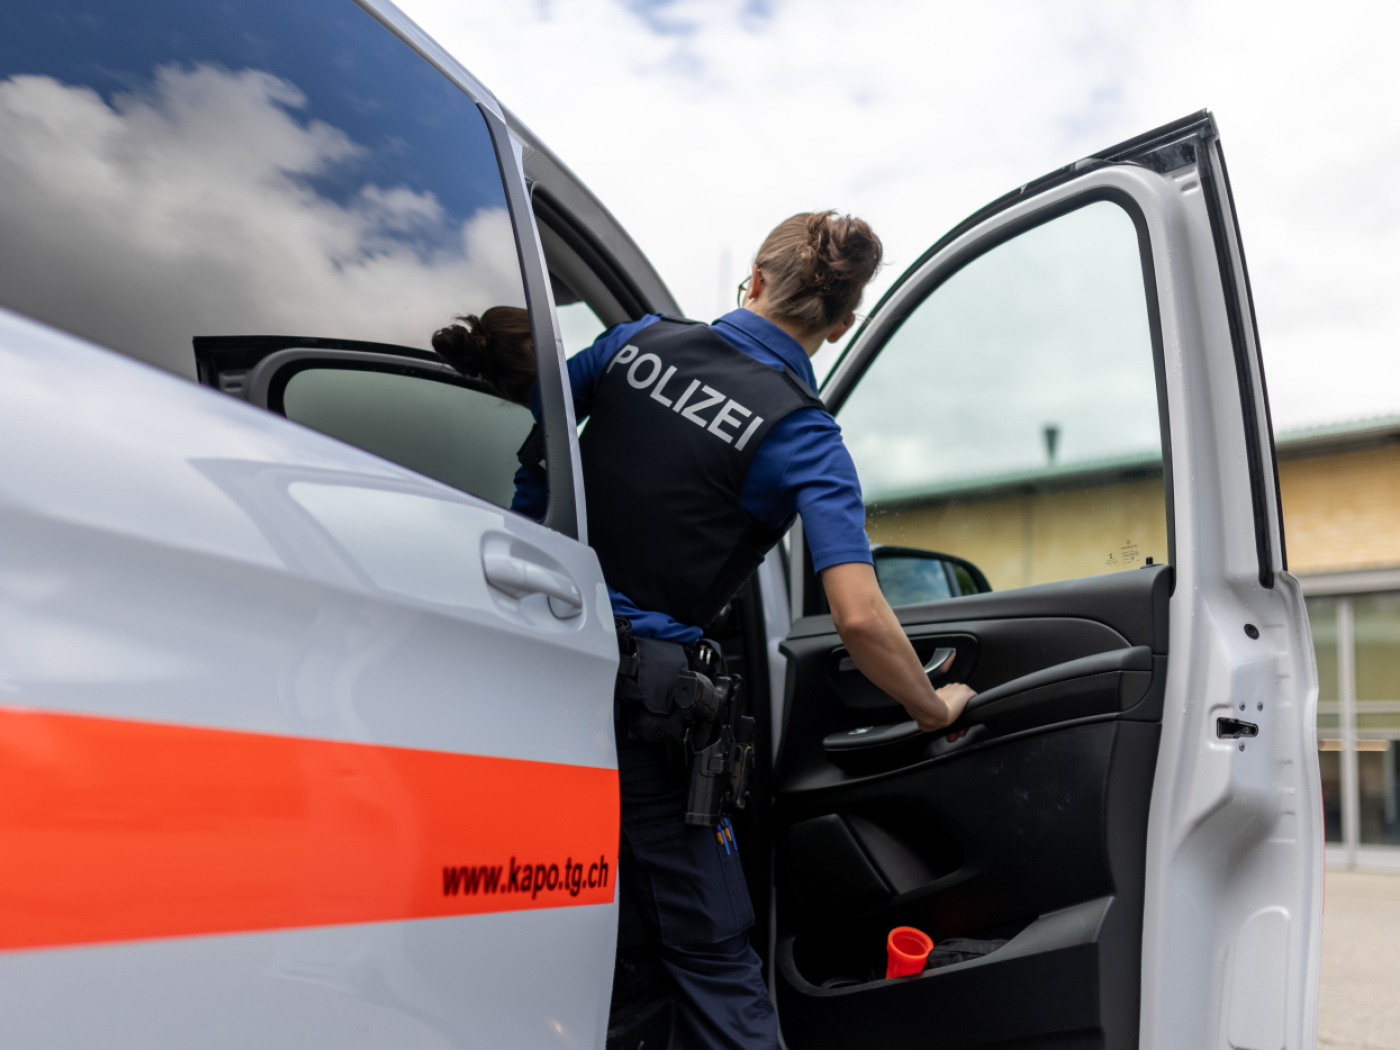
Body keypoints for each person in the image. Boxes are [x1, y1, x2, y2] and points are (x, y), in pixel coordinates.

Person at [434, 212, 975, 1049]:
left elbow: (544, 414)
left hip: (519, 656)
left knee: (540, 920)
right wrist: (933, 707)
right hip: (639, 708)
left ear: (753, 280)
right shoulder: (803, 434)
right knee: (711, 953)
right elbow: (861, 616)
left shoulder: (636, 342)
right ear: (840, 325)